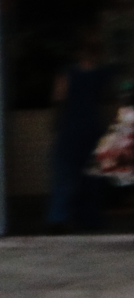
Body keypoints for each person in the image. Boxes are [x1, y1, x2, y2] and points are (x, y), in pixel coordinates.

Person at [49, 31, 120, 234]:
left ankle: (60, 216)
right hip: (93, 126)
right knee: (92, 175)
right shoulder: (103, 74)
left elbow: (58, 98)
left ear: (78, 51)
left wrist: (55, 127)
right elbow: (110, 101)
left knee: (64, 173)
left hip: (70, 127)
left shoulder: (67, 73)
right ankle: (89, 217)